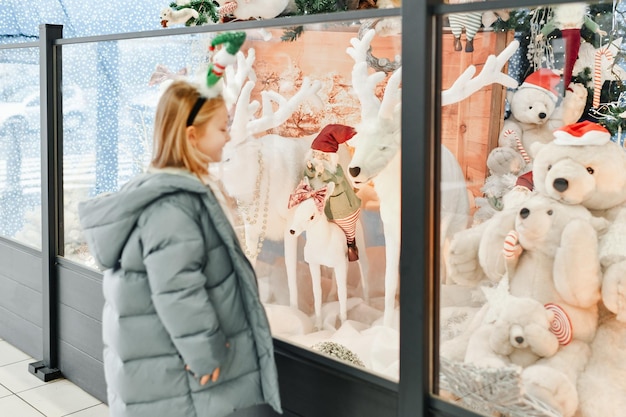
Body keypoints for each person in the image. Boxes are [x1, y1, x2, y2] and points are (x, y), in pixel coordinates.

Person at [78, 32, 281, 417]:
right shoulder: (174, 206)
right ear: (192, 136)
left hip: (166, 366)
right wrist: (205, 355)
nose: (228, 137)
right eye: (221, 128)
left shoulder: (175, 191)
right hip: (178, 374)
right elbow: (178, 292)